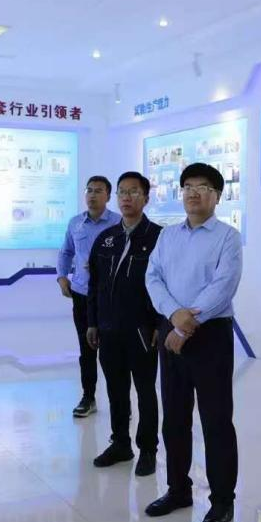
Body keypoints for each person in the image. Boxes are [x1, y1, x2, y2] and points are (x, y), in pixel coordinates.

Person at [144, 162, 242, 522]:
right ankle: (178, 489)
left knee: (216, 420)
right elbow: (153, 277)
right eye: (187, 186)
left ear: (217, 196)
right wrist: (174, 315)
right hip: (171, 331)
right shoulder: (168, 236)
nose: (193, 193)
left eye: (202, 187)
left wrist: (186, 323)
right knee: (174, 417)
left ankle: (222, 500)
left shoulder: (227, 237)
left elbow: (223, 286)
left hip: (210, 334)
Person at [86, 171, 162, 476]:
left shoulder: (158, 238)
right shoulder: (106, 239)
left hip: (143, 331)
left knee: (145, 391)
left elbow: (166, 286)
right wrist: (93, 322)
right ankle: (120, 443)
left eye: (133, 192)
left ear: (146, 198)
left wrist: (159, 325)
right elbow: (94, 284)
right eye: (122, 192)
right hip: (109, 329)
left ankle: (148, 449)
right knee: (116, 390)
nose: (126, 198)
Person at [57, 176, 121, 417]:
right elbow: (65, 252)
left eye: (98, 191)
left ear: (108, 196)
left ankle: (119, 401)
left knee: (113, 351)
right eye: (89, 190)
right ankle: (88, 397)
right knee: (87, 349)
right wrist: (62, 276)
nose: (92, 195)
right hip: (82, 294)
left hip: (111, 296)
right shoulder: (76, 223)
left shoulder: (118, 222)